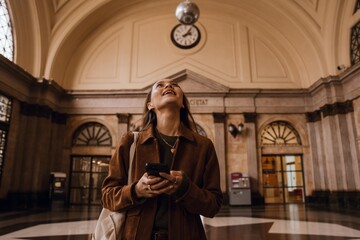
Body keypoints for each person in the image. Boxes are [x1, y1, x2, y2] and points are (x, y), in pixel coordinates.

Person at [102, 79, 223, 240]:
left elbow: (213, 205)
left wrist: (185, 188)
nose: (168, 86)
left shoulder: (203, 146)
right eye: (160, 85)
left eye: (174, 85)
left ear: (183, 104)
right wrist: (136, 190)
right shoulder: (130, 142)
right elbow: (107, 196)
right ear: (150, 105)